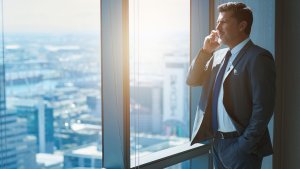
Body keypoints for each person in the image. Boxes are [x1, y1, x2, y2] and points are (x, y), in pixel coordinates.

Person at [186, 2, 275, 169]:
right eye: (217, 22)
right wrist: (206, 52)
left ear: (242, 25)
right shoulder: (218, 56)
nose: (217, 27)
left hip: (241, 147)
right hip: (217, 143)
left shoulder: (259, 57)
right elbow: (192, 79)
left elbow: (263, 109)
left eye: (224, 22)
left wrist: (243, 146)